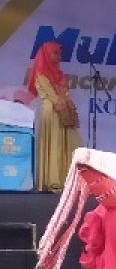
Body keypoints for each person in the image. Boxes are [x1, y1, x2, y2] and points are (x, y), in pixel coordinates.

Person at [26, 40, 81, 192]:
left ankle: (65, 179)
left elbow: (65, 93)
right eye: (55, 53)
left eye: (59, 53)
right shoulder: (40, 73)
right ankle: (51, 181)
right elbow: (51, 96)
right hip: (51, 111)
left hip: (62, 110)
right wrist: (63, 102)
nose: (59, 56)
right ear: (46, 54)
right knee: (53, 144)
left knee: (65, 143)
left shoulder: (59, 74)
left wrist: (69, 105)